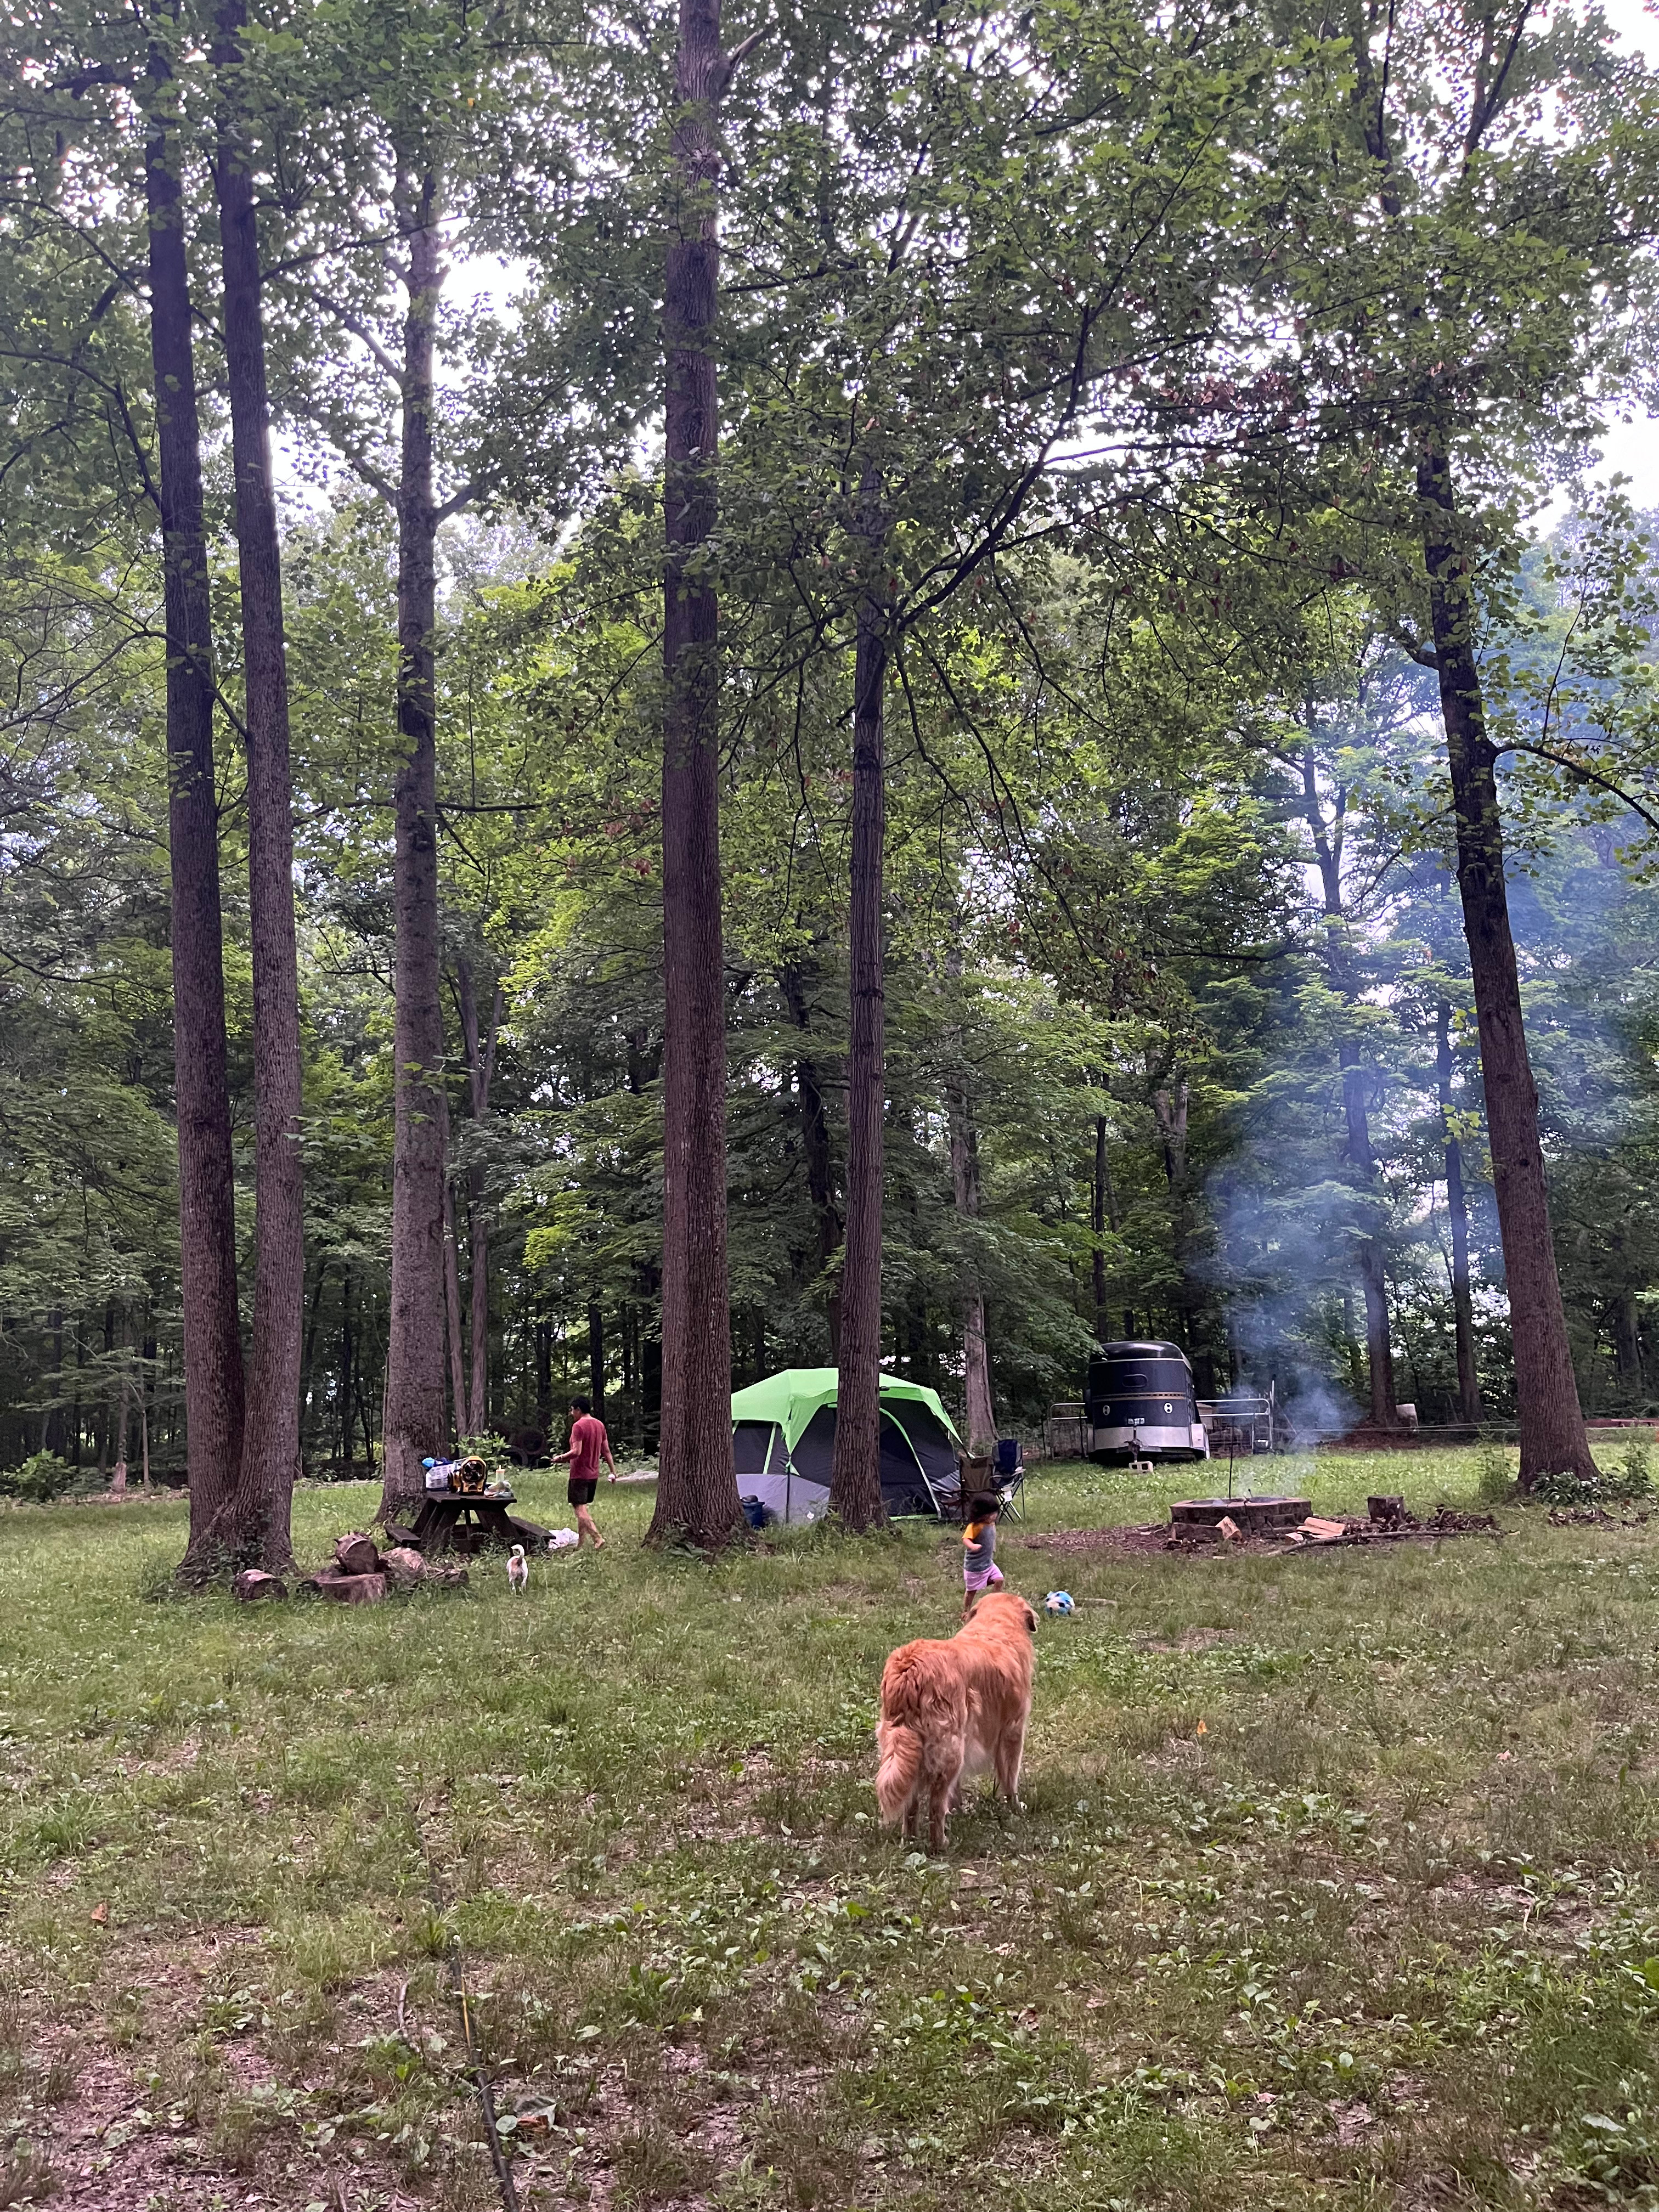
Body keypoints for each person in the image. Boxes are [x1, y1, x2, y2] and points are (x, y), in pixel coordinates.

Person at [550, 1396, 616, 1550]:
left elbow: (576, 1451)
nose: (572, 1413)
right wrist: (614, 1472)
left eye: (572, 1410)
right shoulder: (599, 1425)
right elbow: (606, 1451)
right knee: (582, 1509)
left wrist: (560, 1458)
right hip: (593, 1474)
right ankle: (580, 1545)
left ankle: (598, 1538)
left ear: (578, 1409)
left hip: (580, 1474)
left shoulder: (578, 1426)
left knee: (580, 1510)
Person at [961, 1491, 1004, 1618]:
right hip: (975, 1566)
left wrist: (994, 1548)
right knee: (971, 1591)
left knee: (1000, 1580)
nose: (994, 1516)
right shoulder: (975, 1526)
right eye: (990, 1514)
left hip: (988, 1563)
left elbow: (992, 1536)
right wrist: (972, 1546)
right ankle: (966, 1610)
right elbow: (966, 1539)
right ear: (980, 1513)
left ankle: (993, 1603)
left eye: (995, 1513)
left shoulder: (991, 1524)